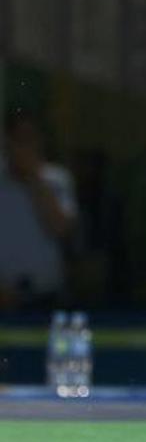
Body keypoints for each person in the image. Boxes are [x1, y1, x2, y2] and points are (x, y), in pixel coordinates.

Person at [0, 112, 78, 309]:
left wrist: (34, 178)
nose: (24, 147)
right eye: (19, 139)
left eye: (30, 139)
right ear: (7, 141)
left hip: (47, 295)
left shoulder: (57, 180)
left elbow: (60, 228)